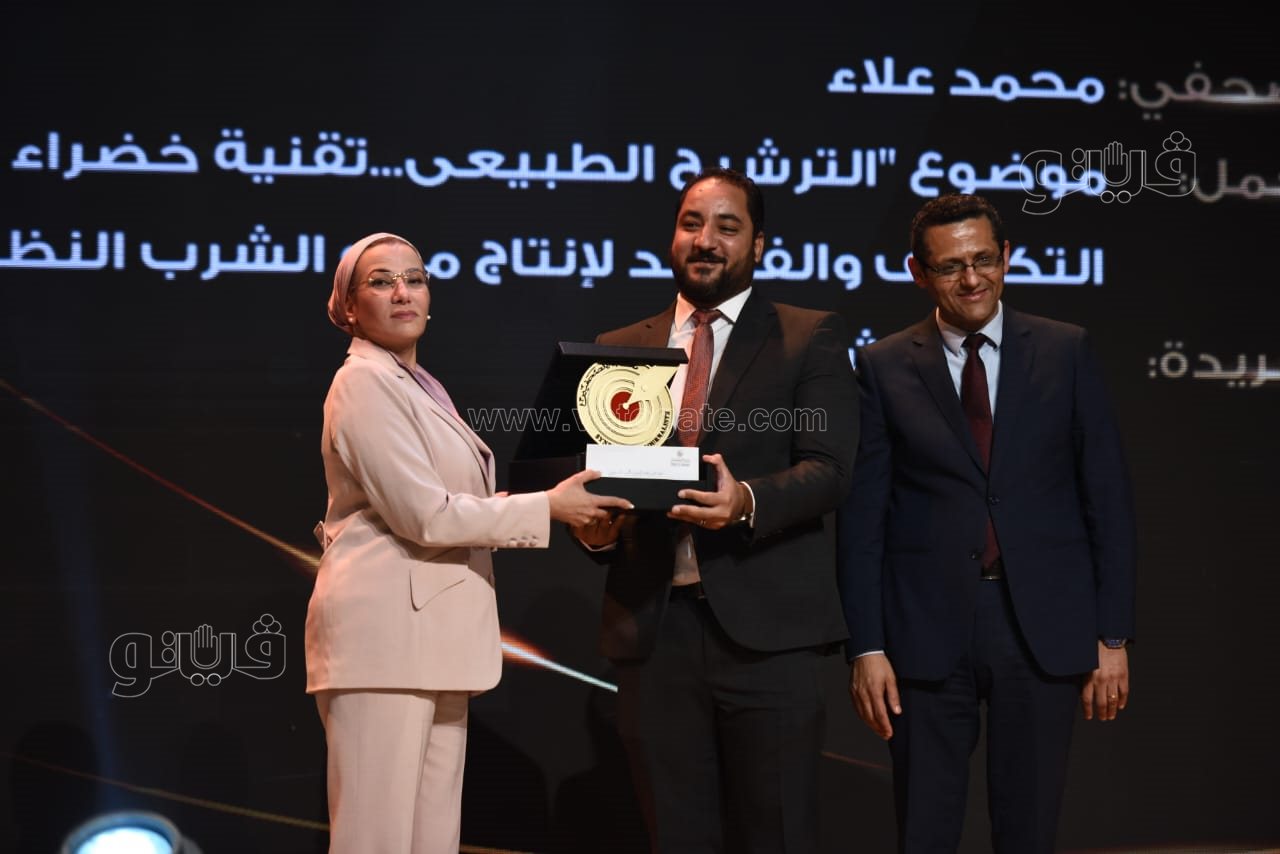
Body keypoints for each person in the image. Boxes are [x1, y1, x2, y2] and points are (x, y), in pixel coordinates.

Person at [305, 232, 630, 853]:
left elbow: (448, 506)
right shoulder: (362, 382)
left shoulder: (415, 383)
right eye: (381, 281)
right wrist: (546, 507)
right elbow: (425, 516)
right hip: (384, 645)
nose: (402, 292)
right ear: (347, 306)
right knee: (376, 842)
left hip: (433, 645)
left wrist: (551, 504)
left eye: (415, 279)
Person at [837, 194, 1137, 853]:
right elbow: (864, 520)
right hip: (923, 631)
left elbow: (1107, 500)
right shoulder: (884, 365)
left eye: (983, 260)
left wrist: (1113, 635)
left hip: (1040, 627)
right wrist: (867, 647)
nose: (971, 279)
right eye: (950, 267)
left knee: (1029, 830)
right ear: (919, 274)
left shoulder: (1065, 350)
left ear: (1006, 257)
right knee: (924, 830)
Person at [571, 167, 858, 853]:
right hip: (654, 633)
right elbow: (602, 481)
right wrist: (598, 531)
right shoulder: (619, 347)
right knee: (675, 837)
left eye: (728, 227)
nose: (706, 240)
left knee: (777, 835)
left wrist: (747, 500)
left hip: (768, 636)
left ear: (757, 245)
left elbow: (831, 470)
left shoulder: (808, 335)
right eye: (691, 223)